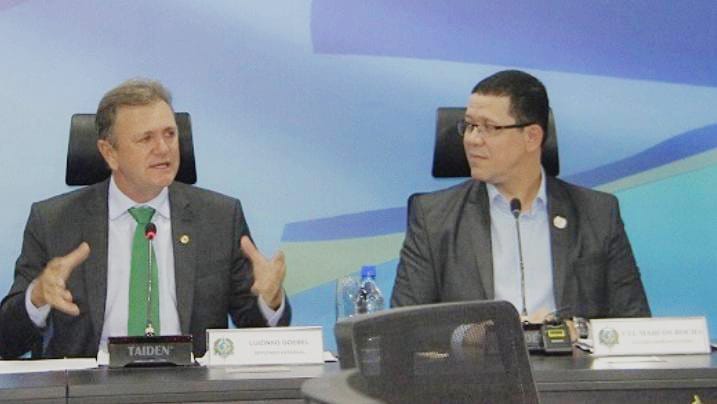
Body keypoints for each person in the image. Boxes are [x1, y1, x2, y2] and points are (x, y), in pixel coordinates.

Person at [0, 79, 290, 358]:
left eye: (170, 134)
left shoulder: (219, 218)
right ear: (109, 153)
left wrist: (270, 301)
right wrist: (37, 298)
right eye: (146, 138)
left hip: (191, 384)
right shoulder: (53, 222)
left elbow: (258, 333)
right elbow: (6, 341)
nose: (163, 148)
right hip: (89, 385)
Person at [391, 70, 650, 320]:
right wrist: (479, 337)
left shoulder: (598, 213)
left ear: (532, 137)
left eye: (489, 127)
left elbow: (633, 322)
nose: (472, 139)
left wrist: (575, 331)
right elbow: (406, 330)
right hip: (478, 352)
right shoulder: (433, 219)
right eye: (469, 126)